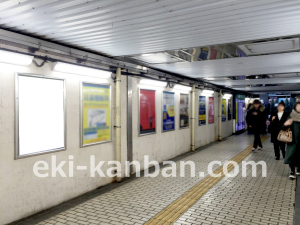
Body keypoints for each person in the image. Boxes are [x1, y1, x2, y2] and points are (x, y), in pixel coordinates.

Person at [283, 102, 300, 180]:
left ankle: (299, 169)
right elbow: (284, 128)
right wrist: (286, 124)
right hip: (293, 140)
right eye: (298, 106)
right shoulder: (291, 116)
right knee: (291, 155)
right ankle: (292, 172)